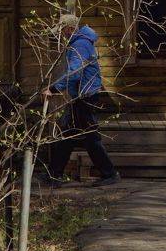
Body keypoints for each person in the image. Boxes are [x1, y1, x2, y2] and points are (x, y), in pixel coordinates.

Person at [40, 14, 118, 186]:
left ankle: (109, 174)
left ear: (69, 29)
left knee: (89, 138)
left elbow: (75, 72)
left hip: (85, 96)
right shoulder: (80, 42)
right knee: (68, 135)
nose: (61, 34)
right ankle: (55, 175)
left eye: (62, 30)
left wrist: (53, 89)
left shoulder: (80, 44)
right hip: (82, 95)